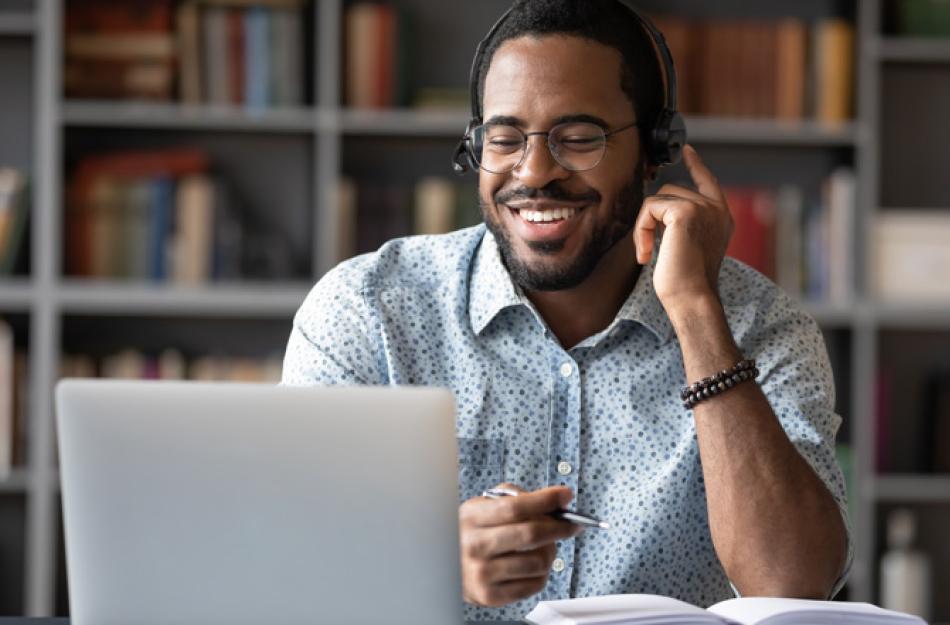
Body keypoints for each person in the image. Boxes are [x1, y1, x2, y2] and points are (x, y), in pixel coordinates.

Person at [281, 0, 851, 620]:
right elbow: (285, 558)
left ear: (656, 148)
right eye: (503, 139)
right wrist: (426, 557)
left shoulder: (763, 326)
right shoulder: (368, 311)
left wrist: (695, 311)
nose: (534, 173)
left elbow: (793, 586)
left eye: (579, 139)